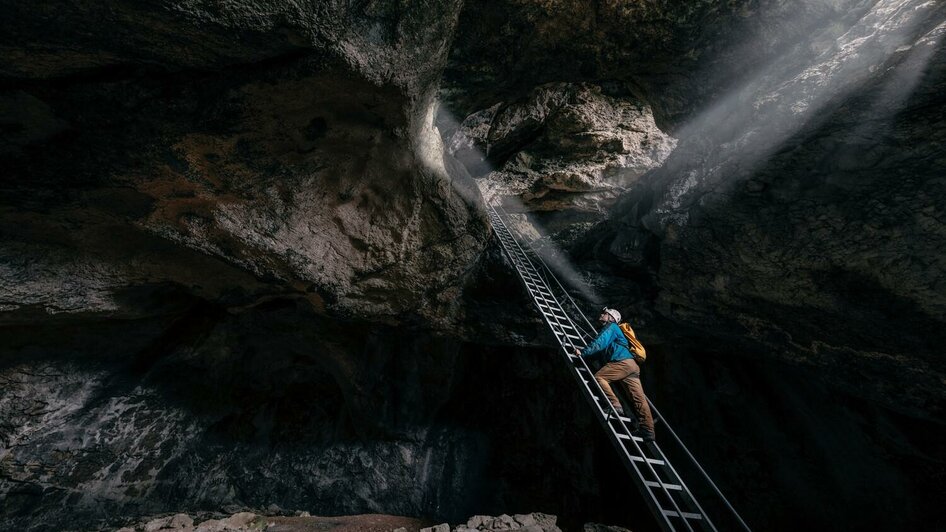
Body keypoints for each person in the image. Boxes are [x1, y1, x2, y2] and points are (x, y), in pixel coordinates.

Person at [575, 307, 656, 442]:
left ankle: (614, 405)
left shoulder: (611, 327)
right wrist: (586, 356)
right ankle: (648, 431)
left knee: (599, 378)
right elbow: (599, 353)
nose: (602, 314)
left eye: (605, 314)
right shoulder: (616, 331)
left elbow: (599, 344)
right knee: (638, 399)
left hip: (622, 362)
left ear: (611, 318)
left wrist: (582, 353)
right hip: (632, 366)